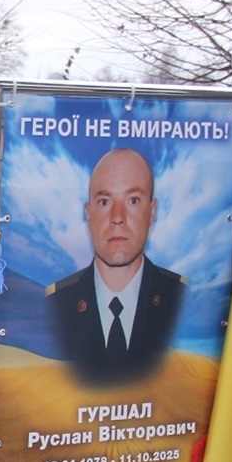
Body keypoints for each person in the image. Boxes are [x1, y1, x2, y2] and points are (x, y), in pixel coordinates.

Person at [45, 147, 186, 386]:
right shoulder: (54, 305)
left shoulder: (181, 298)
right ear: (88, 214)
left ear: (152, 212)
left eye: (133, 200)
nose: (117, 217)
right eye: (104, 201)